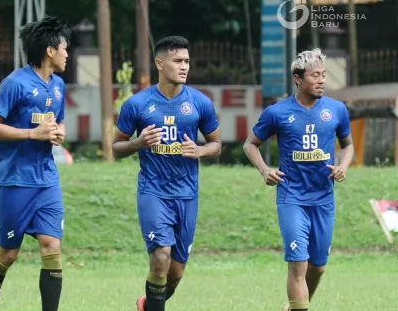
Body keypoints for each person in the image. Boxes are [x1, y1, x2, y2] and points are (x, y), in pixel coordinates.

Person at [112, 36, 222, 311]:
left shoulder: (200, 103)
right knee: (160, 257)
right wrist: (138, 143)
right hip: (153, 192)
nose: (184, 66)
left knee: (175, 273)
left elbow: (217, 145)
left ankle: (146, 304)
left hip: (187, 194)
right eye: (178, 61)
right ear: (160, 64)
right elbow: (116, 148)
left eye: (186, 61)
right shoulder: (137, 104)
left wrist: (200, 151)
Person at [242, 48, 354, 311]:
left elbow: (347, 146)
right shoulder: (277, 112)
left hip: (324, 198)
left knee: (318, 267)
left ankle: (295, 307)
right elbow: (250, 145)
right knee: (298, 263)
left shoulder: (337, 109)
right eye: (315, 75)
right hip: (291, 197)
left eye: (324, 75)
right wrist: (264, 170)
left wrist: (343, 166)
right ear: (298, 78)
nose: (322, 80)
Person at [0, 15, 71, 311]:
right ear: (50, 51)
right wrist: (33, 133)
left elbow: (59, 123)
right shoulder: (15, 83)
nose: (68, 54)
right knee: (8, 254)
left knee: (52, 246)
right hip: (14, 180)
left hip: (46, 179)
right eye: (65, 48)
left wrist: (58, 133)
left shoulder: (58, 86)